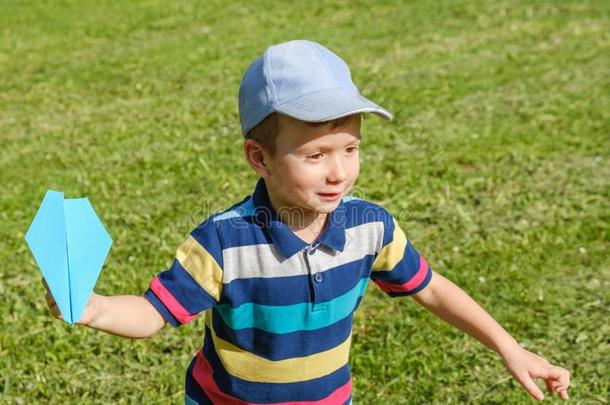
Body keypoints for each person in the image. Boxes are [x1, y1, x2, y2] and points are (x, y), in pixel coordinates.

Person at [42, 39, 570, 404]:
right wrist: (93, 308)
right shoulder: (225, 242)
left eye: (350, 148)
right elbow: (154, 313)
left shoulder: (371, 228)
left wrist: (510, 347)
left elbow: (431, 290)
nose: (339, 172)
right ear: (259, 157)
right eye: (315, 156)